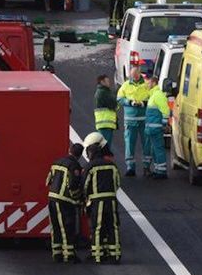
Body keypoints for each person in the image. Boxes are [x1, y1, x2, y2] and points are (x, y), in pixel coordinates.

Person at [82, 132, 121, 263]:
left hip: (96, 202)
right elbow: (117, 183)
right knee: (113, 226)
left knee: (97, 227)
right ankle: (115, 255)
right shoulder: (112, 165)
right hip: (111, 200)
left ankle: (97, 255)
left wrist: (86, 198)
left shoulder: (90, 166)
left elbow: (85, 185)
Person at [46, 143, 84, 263]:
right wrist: (78, 200)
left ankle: (57, 253)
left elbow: (48, 181)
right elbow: (72, 186)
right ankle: (69, 255)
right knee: (67, 227)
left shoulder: (57, 162)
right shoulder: (74, 166)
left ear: (69, 150)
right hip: (64, 201)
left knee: (55, 226)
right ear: (80, 155)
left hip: (52, 198)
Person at [116, 62, 150, 176]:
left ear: (140, 74)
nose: (134, 78)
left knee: (146, 144)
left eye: (136, 75)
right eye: (132, 76)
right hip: (130, 121)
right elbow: (119, 99)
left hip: (144, 119)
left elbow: (152, 98)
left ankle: (146, 167)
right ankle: (130, 167)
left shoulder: (146, 84)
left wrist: (144, 103)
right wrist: (130, 102)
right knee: (129, 144)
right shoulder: (125, 85)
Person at [143, 74, 170, 179]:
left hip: (156, 128)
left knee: (158, 149)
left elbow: (166, 110)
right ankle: (158, 169)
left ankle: (162, 172)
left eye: (148, 83)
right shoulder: (153, 95)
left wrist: (163, 124)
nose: (147, 85)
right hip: (152, 128)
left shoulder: (158, 94)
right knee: (155, 149)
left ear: (153, 82)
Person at [93, 75, 117, 145]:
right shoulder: (103, 92)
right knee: (104, 146)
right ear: (102, 82)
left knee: (104, 146)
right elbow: (113, 104)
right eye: (107, 81)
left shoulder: (104, 92)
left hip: (105, 124)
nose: (109, 83)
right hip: (105, 123)